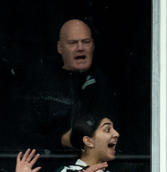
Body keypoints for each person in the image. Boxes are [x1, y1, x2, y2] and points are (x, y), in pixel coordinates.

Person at [22, 19, 117, 151]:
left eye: (86, 42)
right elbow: (27, 139)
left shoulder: (104, 85)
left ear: (93, 46)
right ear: (60, 48)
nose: (80, 48)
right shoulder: (43, 88)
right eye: (73, 43)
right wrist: (62, 140)